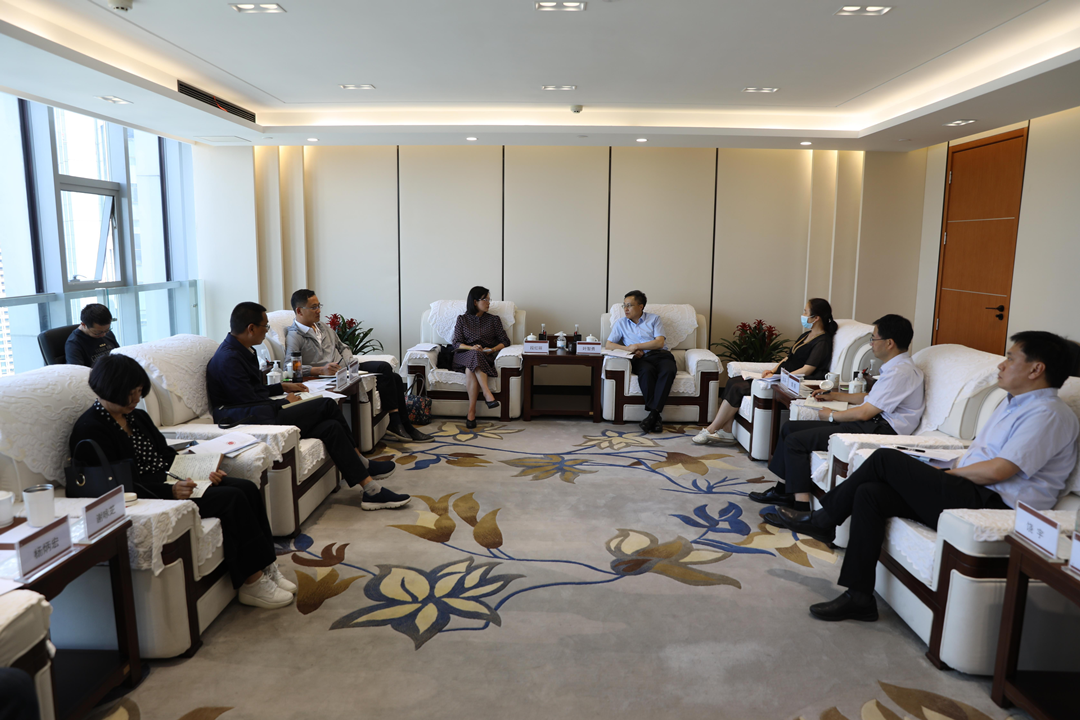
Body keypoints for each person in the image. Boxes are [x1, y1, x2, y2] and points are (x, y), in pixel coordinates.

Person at [767, 331, 1080, 622]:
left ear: (1036, 369)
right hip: (972, 489)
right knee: (870, 493)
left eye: (1010, 358)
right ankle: (859, 597)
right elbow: (981, 457)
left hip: (995, 504)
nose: (1001, 365)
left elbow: (999, 470)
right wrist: (940, 470)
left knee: (886, 459)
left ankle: (824, 520)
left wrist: (947, 474)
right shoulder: (1013, 404)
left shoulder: (1048, 414)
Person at [70, 354, 295, 609]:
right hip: (148, 495)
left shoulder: (138, 418)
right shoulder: (91, 428)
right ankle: (252, 583)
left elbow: (167, 457)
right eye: (129, 394)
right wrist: (170, 491)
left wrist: (202, 471)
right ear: (108, 390)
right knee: (232, 499)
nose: (136, 400)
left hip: (172, 482)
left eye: (139, 392)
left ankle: (266, 566)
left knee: (246, 487)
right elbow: (117, 485)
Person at [206, 302, 411, 511]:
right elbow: (246, 402)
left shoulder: (241, 350)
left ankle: (370, 490)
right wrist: (284, 402)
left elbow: (253, 390)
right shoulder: (229, 358)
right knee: (326, 405)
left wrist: (281, 386)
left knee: (331, 427)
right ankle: (362, 463)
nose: (266, 331)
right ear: (251, 328)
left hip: (258, 410)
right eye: (264, 326)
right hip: (251, 419)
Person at [751, 314, 925, 511]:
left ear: (889, 343)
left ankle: (800, 505)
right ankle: (782, 491)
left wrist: (831, 416)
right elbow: (870, 398)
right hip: (874, 423)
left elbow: (865, 413)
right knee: (789, 428)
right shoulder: (896, 368)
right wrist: (834, 395)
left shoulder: (900, 373)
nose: (871, 344)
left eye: (874, 338)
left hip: (880, 430)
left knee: (795, 441)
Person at [284, 289, 433, 443]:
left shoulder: (321, 327)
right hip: (328, 377)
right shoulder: (295, 335)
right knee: (388, 373)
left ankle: (404, 425)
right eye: (313, 307)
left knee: (391, 375)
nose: (319, 310)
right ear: (299, 311)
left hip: (347, 368)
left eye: (319, 305)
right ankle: (398, 423)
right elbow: (289, 366)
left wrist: (350, 362)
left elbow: (343, 347)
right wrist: (320, 370)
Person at [694, 298, 837, 446]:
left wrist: (782, 377)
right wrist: (772, 370)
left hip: (791, 381)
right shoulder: (806, 335)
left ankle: (711, 429)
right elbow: (788, 357)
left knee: (738, 387)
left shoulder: (822, 341)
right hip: (779, 376)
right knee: (732, 382)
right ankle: (727, 431)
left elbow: (808, 369)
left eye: (805, 312)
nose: (803, 315)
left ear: (816, 317)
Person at [606, 290, 676, 434]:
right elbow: (609, 345)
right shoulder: (621, 323)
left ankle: (653, 415)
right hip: (640, 359)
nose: (625, 309)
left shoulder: (654, 319)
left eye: (629, 305)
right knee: (646, 372)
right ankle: (656, 417)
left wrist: (637, 346)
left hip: (661, 356)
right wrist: (628, 349)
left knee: (669, 370)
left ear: (640, 306)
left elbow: (659, 343)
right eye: (624, 305)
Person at [451, 286, 511, 429]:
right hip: (463, 355)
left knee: (471, 367)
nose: (489, 303)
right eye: (485, 299)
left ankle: (471, 412)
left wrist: (492, 350)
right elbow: (456, 343)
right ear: (475, 302)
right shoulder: (462, 319)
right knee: (474, 354)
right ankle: (486, 392)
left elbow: (505, 341)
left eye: (489, 299)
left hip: (485, 356)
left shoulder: (494, 320)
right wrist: (471, 348)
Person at [64, 303, 119, 367]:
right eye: (98, 333)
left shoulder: (107, 333)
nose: (103, 335)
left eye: (107, 330)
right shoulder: (74, 344)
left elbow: (119, 355)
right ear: (84, 325)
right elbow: (77, 371)